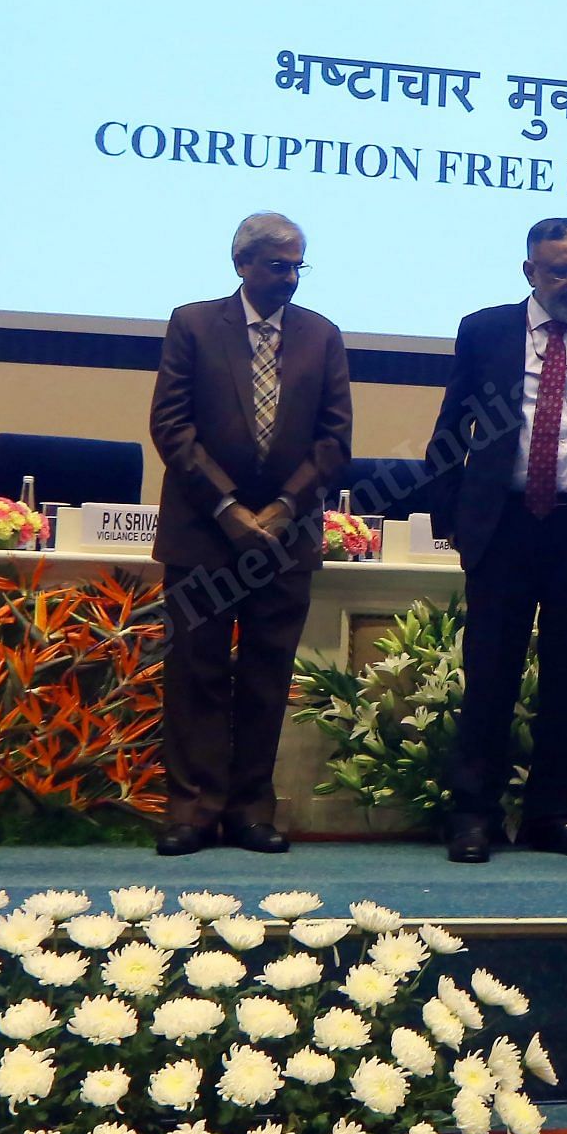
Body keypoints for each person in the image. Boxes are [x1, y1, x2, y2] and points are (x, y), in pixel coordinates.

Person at [430, 217, 567, 864]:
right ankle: (474, 814)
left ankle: (551, 813)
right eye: (561, 270)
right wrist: (449, 512)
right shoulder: (487, 329)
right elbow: (454, 420)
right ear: (530, 271)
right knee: (490, 672)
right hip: (504, 524)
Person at [147, 212, 351, 856]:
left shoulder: (322, 335)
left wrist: (286, 507)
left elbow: (334, 437)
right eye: (276, 265)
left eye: (297, 266)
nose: (289, 278)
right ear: (242, 264)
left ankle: (250, 812)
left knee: (267, 677)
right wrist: (229, 508)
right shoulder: (194, 324)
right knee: (196, 674)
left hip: (284, 537)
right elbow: (172, 425)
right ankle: (194, 810)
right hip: (204, 532)